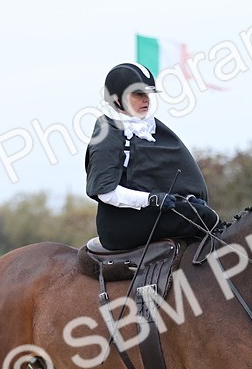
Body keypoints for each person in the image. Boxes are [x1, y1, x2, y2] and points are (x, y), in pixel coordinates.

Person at [85, 62, 221, 251]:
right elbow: (106, 193)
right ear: (117, 99)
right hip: (120, 224)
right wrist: (151, 199)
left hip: (150, 212)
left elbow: (166, 176)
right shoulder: (107, 134)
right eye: (138, 94)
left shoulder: (151, 128)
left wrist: (187, 198)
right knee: (204, 217)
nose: (146, 100)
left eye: (147, 94)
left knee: (202, 213)